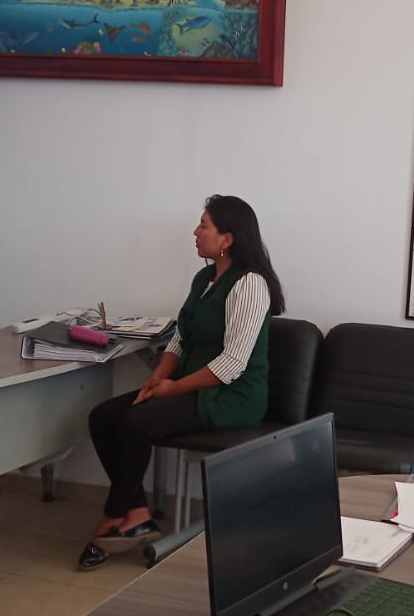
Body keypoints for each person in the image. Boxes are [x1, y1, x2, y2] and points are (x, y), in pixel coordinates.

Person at [78, 195, 286, 571]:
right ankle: (138, 513)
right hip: (193, 385)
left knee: (134, 424)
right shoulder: (203, 279)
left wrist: (173, 388)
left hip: (232, 396)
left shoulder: (251, 285)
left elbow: (233, 363)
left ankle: (112, 516)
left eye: (204, 225)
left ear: (227, 239)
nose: (195, 232)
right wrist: (157, 377)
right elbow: (180, 339)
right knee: (103, 416)